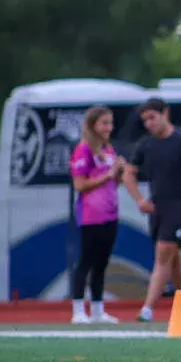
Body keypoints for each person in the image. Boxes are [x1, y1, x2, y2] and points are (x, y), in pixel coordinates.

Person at [122, 98, 181, 323]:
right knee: (174, 260)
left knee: (164, 253)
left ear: (165, 113)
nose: (148, 123)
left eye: (152, 117)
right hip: (157, 207)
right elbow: (128, 173)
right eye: (144, 120)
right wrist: (139, 199)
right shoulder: (145, 145)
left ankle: (147, 308)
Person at [69, 105, 125, 324]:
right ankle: (78, 310)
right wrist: (108, 175)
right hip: (91, 215)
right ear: (92, 125)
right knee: (86, 261)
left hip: (110, 213)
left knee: (102, 263)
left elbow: (113, 183)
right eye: (104, 123)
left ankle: (98, 311)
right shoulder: (84, 149)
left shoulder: (108, 149)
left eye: (110, 123)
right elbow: (80, 184)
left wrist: (118, 173)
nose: (108, 128)